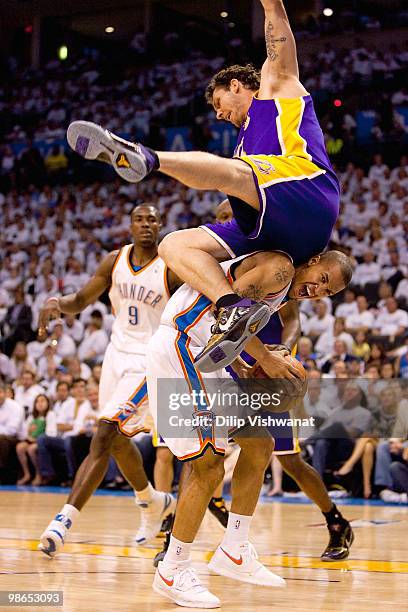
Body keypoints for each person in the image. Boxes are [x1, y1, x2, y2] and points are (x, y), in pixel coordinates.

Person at [67, 0, 340, 375]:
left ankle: (147, 158)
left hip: (309, 194)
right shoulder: (243, 143)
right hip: (273, 225)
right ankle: (231, 308)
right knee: (174, 244)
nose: (218, 113)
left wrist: (270, 3)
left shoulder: (276, 90)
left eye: (218, 102)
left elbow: (278, 27)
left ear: (235, 85)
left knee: (234, 173)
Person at [147, 248, 351, 607]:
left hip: (203, 356)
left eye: (328, 292)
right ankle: (173, 568)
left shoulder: (285, 290)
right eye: (323, 279)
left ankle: (235, 550)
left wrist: (241, 363)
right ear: (315, 261)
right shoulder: (279, 270)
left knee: (259, 445)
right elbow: (225, 315)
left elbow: (227, 330)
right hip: (180, 347)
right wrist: (266, 357)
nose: (319, 291)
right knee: (208, 464)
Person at [38, 205, 180, 557]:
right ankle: (152, 500)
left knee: (103, 433)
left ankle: (63, 521)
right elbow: (82, 300)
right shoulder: (114, 261)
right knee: (116, 441)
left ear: (160, 225)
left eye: (152, 219)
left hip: (148, 361)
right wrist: (57, 303)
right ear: (130, 225)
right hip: (115, 357)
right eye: (139, 219)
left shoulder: (172, 266)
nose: (146, 225)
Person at [16, 394, 51, 485]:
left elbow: (51, 433)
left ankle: (38, 474)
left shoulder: (50, 415)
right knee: (20, 447)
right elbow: (24, 432)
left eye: (43, 401)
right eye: (37, 401)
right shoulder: (32, 417)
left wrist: (36, 440)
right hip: (31, 440)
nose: (40, 404)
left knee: (31, 449)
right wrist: (29, 432)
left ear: (48, 403)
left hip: (43, 441)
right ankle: (27, 473)